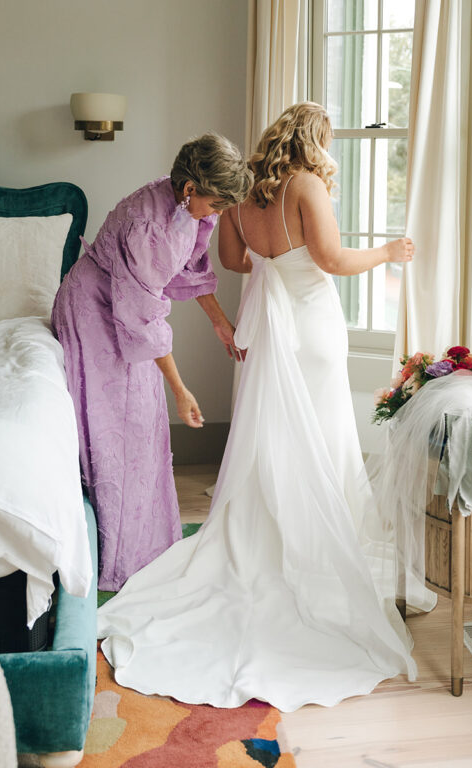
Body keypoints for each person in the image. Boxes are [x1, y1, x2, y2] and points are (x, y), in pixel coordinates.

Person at [97, 102, 418, 710]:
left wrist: (271, 262)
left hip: (266, 325)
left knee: (271, 438)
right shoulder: (306, 185)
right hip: (311, 325)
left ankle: (275, 533)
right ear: (314, 142)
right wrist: (387, 253)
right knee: (324, 439)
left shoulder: (243, 193)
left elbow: (233, 262)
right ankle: (320, 545)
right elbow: (331, 261)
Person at [52, 132, 252, 591]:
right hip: (94, 312)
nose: (217, 214)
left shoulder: (183, 205)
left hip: (124, 309)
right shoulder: (152, 227)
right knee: (116, 431)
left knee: (141, 428)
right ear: (190, 188)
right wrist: (181, 391)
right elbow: (143, 315)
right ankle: (113, 558)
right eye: (216, 203)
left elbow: (192, 270)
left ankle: (144, 549)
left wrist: (221, 324)